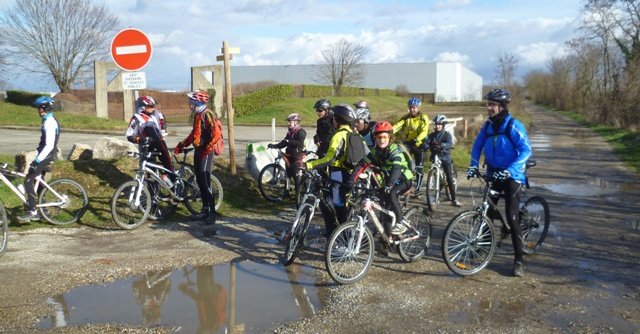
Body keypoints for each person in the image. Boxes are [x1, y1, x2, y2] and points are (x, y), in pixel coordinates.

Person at [467, 88, 532, 277]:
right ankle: (485, 245)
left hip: (512, 176)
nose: (489, 108)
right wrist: (473, 165)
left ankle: (519, 259)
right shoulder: (487, 126)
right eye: (488, 104)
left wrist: (510, 170)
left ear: (502, 106)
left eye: (492, 105)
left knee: (512, 217)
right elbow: (477, 146)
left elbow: (525, 150)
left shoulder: (513, 125)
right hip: (494, 173)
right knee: (487, 209)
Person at [306, 104, 359, 238]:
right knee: (327, 204)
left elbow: (329, 159)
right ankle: (332, 234)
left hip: (338, 174)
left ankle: (344, 240)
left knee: (339, 208)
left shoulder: (338, 136)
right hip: (350, 176)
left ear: (337, 119)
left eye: (334, 119)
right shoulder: (353, 135)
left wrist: (310, 164)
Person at [353, 121, 414, 235]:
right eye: (379, 137)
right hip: (389, 181)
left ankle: (400, 222)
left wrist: (390, 185)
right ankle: (386, 241)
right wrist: (351, 180)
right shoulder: (375, 152)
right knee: (385, 209)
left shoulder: (395, 150)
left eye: (385, 137)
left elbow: (396, 168)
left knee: (392, 194)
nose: (382, 140)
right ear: (375, 139)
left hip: (404, 179)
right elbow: (362, 164)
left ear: (390, 137)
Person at [174, 90, 221, 227]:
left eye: (191, 101)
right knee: (200, 181)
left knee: (205, 183)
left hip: (205, 152)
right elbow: (194, 134)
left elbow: (216, 134)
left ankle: (212, 213)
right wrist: (182, 145)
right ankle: (205, 210)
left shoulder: (207, 114)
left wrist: (207, 148)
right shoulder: (198, 115)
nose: (189, 104)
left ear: (197, 102)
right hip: (198, 150)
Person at [18, 96, 60, 222]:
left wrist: (37, 161)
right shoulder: (47, 120)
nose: (38, 110)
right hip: (44, 154)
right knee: (39, 181)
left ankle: (33, 212)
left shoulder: (50, 122)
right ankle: (43, 211)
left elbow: (49, 145)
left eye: (39, 108)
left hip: (46, 155)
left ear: (44, 108)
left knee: (28, 180)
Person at [126, 95, 175, 186]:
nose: (153, 108)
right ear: (143, 106)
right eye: (150, 106)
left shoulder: (153, 117)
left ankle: (174, 183)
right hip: (146, 148)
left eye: (153, 106)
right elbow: (129, 136)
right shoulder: (136, 118)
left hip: (159, 145)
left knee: (168, 166)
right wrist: (140, 139)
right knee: (150, 172)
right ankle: (153, 196)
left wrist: (162, 134)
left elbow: (160, 131)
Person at [392, 97, 429, 191]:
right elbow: (397, 126)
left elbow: (425, 131)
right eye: (411, 107)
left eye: (415, 107)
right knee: (402, 160)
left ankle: (418, 187)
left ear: (419, 108)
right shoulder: (406, 117)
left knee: (419, 166)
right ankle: (405, 183)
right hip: (409, 143)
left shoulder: (423, 117)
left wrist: (417, 139)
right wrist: (387, 132)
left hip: (419, 143)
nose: (412, 109)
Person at [425, 114, 462, 207]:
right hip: (435, 157)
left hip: (445, 157)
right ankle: (436, 196)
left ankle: (454, 199)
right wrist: (424, 146)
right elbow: (427, 142)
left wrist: (442, 145)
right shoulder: (432, 135)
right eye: (437, 124)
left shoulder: (446, 134)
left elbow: (449, 143)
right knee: (435, 173)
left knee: (449, 177)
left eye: (440, 124)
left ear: (443, 125)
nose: (437, 126)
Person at [268, 113, 306, 197]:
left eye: (290, 122)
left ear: (296, 122)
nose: (288, 124)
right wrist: (275, 146)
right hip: (288, 157)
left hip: (296, 157)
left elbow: (299, 143)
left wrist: (290, 141)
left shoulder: (301, 132)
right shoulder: (290, 132)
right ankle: (286, 192)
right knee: (287, 176)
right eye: (288, 122)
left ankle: (298, 197)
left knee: (296, 179)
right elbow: (284, 142)